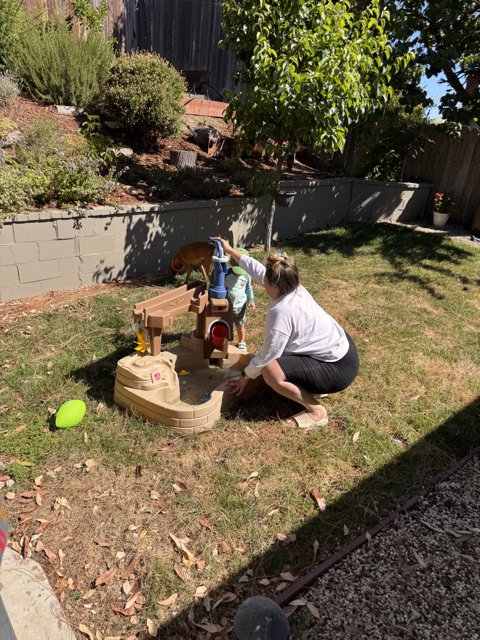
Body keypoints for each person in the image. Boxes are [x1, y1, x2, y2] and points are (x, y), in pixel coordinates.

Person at [212, 237, 360, 430]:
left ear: (274, 286)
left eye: (265, 280)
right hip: (343, 349)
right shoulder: (293, 286)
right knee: (280, 358)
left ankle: (316, 411)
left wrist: (244, 377)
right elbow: (257, 270)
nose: (261, 280)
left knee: (270, 371)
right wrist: (230, 250)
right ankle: (309, 382)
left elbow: (268, 354)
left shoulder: (281, 313)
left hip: (338, 369)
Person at [225, 248, 255, 350]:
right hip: (227, 306)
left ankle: (242, 341)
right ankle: (224, 339)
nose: (239, 273)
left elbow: (248, 288)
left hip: (240, 306)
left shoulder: (246, 276)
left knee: (240, 325)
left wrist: (251, 300)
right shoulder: (226, 274)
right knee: (225, 324)